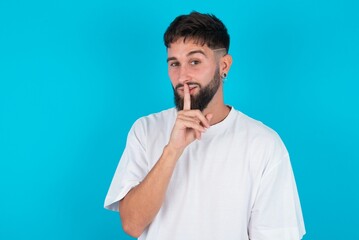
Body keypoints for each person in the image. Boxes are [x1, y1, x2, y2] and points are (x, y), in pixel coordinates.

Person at [104, 11, 306, 240]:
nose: (183, 76)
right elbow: (131, 224)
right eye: (174, 63)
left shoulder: (263, 143)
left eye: (195, 61)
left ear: (224, 65)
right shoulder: (145, 130)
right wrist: (172, 150)